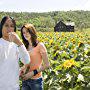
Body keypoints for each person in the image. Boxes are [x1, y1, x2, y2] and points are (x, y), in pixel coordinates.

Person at [0, 16, 30, 90]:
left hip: (14, 86)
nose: (9, 28)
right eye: (6, 25)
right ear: (1, 27)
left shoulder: (17, 44)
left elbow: (26, 61)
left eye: (12, 26)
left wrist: (19, 43)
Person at [20, 23, 50, 90]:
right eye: (23, 33)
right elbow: (27, 63)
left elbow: (47, 65)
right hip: (25, 79)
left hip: (36, 81)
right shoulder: (25, 46)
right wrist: (22, 69)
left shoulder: (40, 46)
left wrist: (33, 73)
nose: (25, 34)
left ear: (32, 32)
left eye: (27, 32)